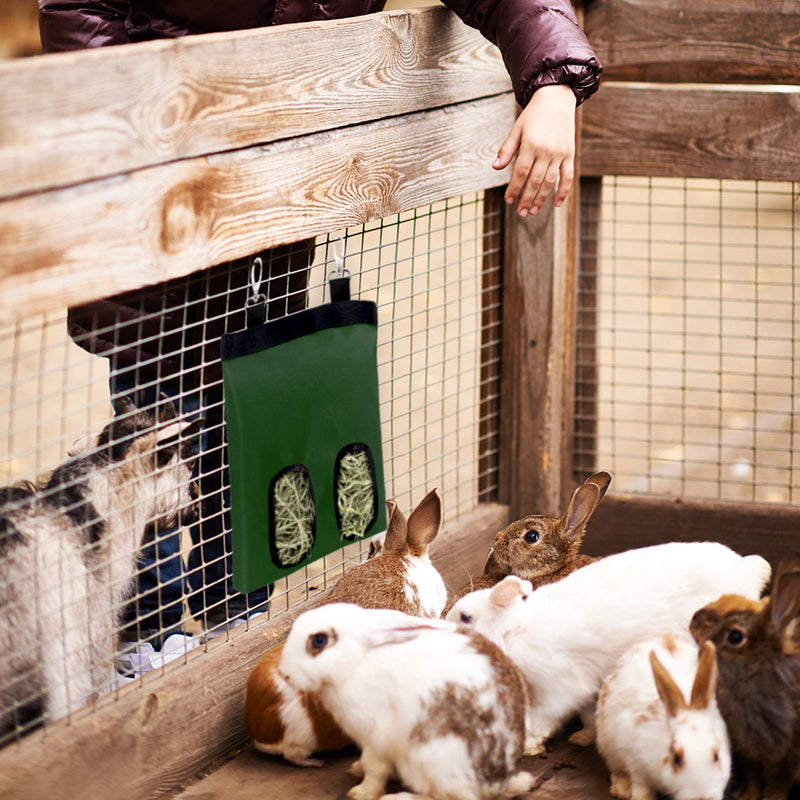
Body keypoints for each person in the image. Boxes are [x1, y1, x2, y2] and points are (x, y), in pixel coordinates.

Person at [38, 0, 602, 641]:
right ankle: (147, 639)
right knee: (154, 445)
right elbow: (80, 12)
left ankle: (236, 629)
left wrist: (554, 82)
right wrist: (142, 127)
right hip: (153, 218)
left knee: (252, 450)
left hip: (273, 243)